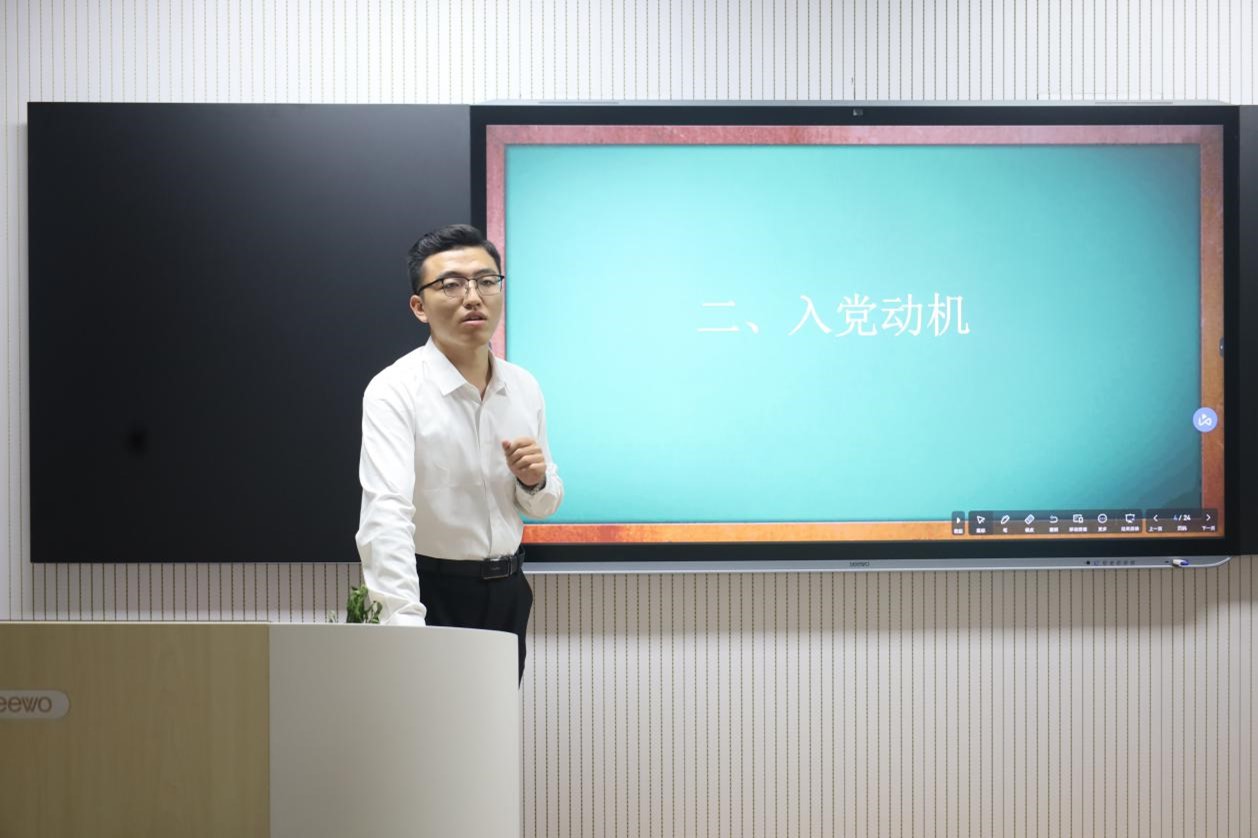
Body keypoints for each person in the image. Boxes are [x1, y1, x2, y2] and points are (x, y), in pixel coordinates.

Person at [355, 224, 563, 681]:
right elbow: (385, 515)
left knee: (495, 723)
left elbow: (543, 505)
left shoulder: (524, 387)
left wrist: (534, 481)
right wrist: (404, 621)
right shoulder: (394, 390)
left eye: (486, 281)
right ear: (419, 306)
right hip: (431, 592)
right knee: (423, 724)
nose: (473, 297)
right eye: (451, 285)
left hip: (508, 591)